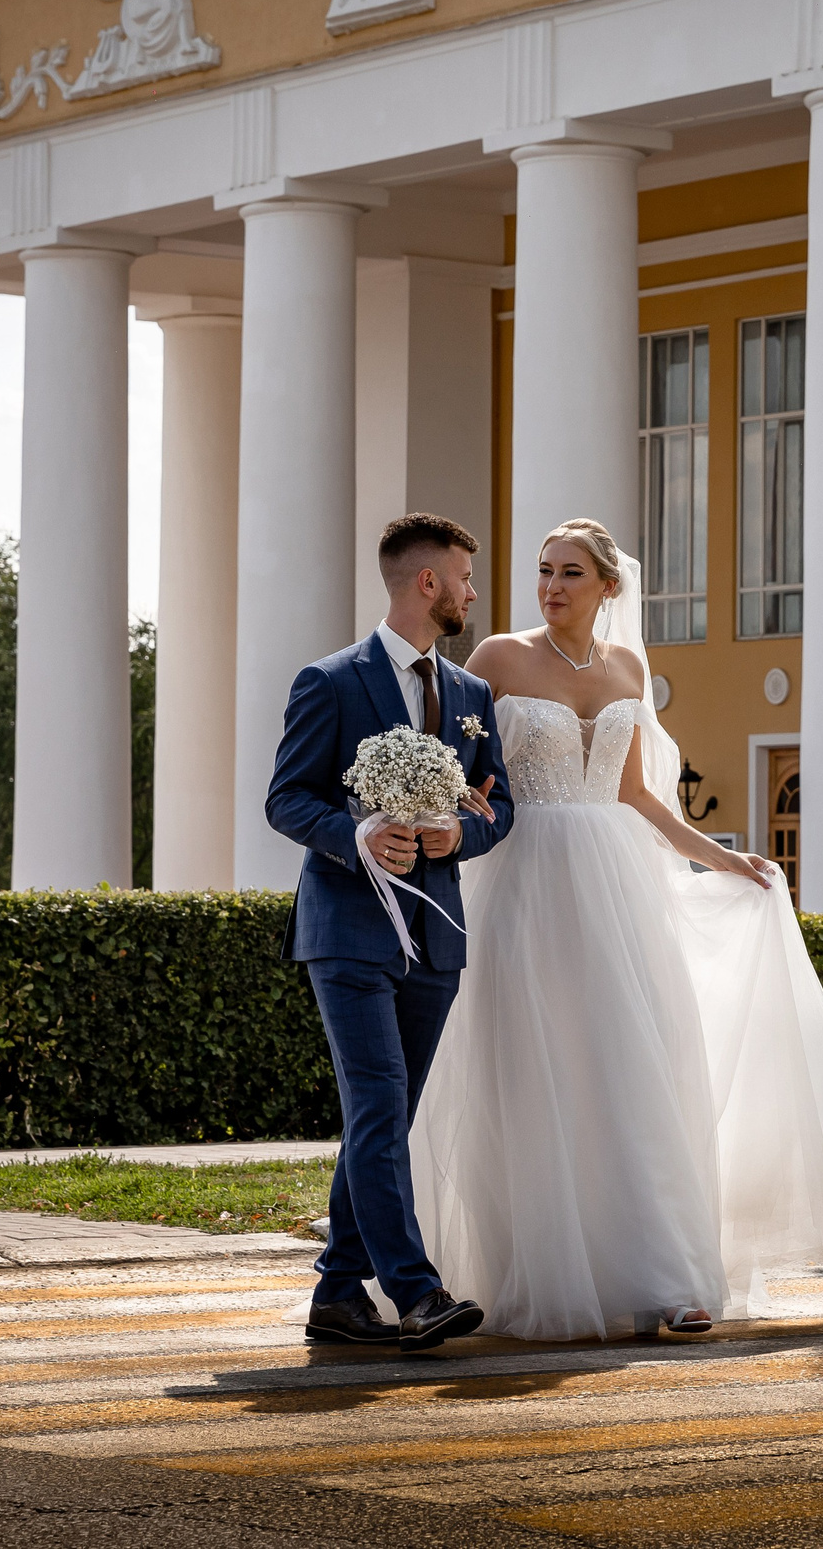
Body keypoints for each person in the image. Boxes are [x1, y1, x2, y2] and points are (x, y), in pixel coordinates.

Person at [410, 518, 823, 1341]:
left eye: (570, 572)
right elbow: (455, 766)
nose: (551, 586)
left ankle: (665, 1276)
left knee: (633, 1072)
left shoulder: (629, 666)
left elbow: (636, 792)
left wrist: (723, 857)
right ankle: (536, 1272)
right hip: (526, 881)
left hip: (616, 885)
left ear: (609, 587)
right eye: (543, 570)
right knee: (538, 1076)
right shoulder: (496, 656)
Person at [266, 513, 516, 1352]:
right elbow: (287, 798)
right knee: (377, 1103)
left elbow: (500, 804)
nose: (473, 593)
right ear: (428, 583)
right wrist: (359, 833)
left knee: (389, 1116)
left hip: (436, 932)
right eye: (465, 578)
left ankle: (336, 1290)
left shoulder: (474, 698)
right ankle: (415, 1291)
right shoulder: (330, 681)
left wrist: (460, 834)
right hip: (347, 932)